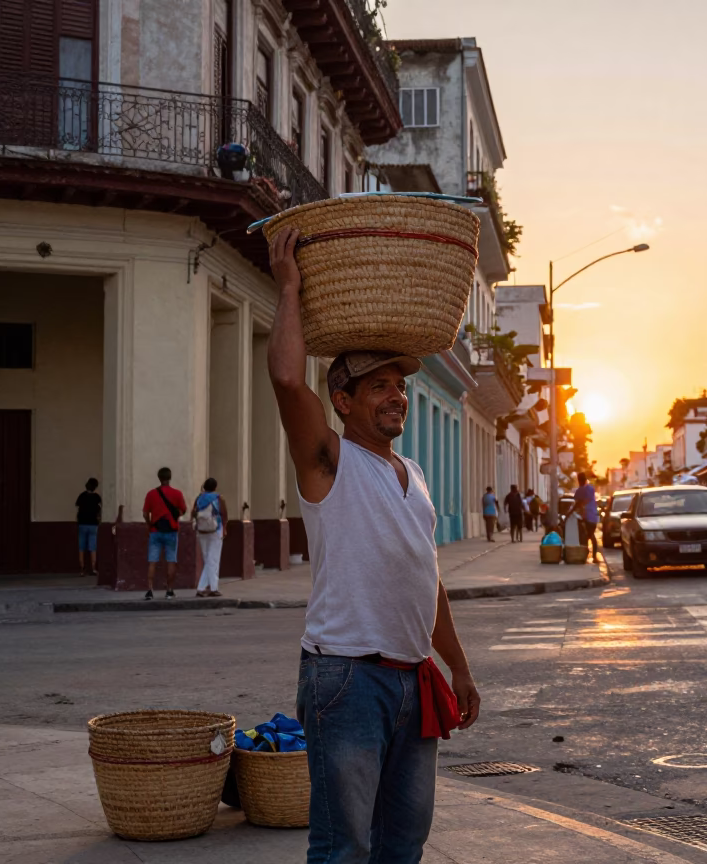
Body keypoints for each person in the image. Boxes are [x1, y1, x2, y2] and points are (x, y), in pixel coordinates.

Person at [266, 226, 480, 864]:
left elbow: (426, 579)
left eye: (401, 386)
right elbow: (284, 380)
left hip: (412, 679)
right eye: (379, 386)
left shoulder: (411, 475)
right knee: (344, 847)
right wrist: (289, 289)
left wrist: (457, 665)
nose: (398, 396)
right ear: (343, 400)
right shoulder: (331, 461)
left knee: (403, 843)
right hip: (346, 678)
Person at [142, 467, 187, 601]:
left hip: (155, 531)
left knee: (152, 561)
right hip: (171, 531)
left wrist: (149, 524)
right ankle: (169, 590)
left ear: (159, 478)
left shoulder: (151, 494)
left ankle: (150, 590)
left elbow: (145, 513)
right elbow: (183, 510)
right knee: (171, 560)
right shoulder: (177, 494)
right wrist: (174, 515)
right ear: (170, 477)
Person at [192, 478, 228, 597]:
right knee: (213, 559)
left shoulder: (199, 498)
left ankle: (205, 588)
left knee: (208, 559)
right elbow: (224, 514)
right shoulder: (218, 498)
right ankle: (210, 588)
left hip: (201, 531)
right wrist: (225, 528)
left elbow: (193, 513)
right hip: (215, 529)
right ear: (215, 487)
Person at [569, 472, 600, 561]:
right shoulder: (590, 488)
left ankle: (587, 555)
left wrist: (569, 513)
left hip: (588, 516)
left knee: (587, 536)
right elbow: (579, 502)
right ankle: (591, 556)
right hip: (593, 516)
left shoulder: (581, 490)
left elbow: (577, 503)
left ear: (579, 480)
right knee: (590, 535)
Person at [74, 478, 102, 577]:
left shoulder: (81, 496)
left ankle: (82, 570)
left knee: (81, 548)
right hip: (93, 524)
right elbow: (99, 511)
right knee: (92, 547)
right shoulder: (97, 497)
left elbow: (77, 508)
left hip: (82, 524)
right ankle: (93, 569)